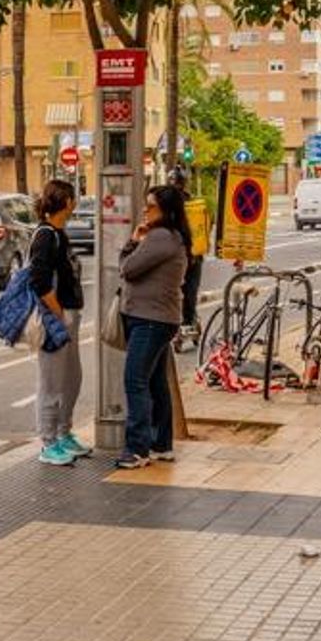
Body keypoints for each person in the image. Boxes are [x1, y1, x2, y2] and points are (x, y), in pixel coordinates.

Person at [115, 185, 192, 469]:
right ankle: (162, 444)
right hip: (158, 318)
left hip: (150, 320)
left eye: (151, 206)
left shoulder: (160, 237)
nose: (145, 211)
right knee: (156, 382)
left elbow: (127, 269)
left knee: (135, 380)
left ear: (167, 211)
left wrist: (132, 243)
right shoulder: (173, 237)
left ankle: (137, 449)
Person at [29, 179, 89, 467]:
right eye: (73, 199)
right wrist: (59, 313)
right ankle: (48, 442)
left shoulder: (58, 233)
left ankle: (64, 433)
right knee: (51, 383)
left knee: (71, 379)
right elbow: (39, 281)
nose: (75, 204)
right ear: (67, 202)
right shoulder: (45, 236)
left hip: (67, 315)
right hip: (54, 319)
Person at [167, 168, 208, 332]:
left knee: (179, 292)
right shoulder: (193, 204)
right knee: (189, 292)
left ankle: (185, 320)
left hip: (183, 257)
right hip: (192, 256)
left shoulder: (167, 207)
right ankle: (188, 320)